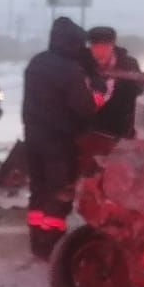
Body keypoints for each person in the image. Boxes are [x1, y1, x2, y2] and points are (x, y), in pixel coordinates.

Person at [21, 17, 104, 258]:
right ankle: (53, 246)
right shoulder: (70, 70)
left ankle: (37, 242)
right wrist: (97, 86)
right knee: (59, 193)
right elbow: (87, 107)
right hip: (58, 143)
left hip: (33, 138)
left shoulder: (36, 63)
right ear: (73, 44)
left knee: (39, 190)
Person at [87, 26, 144, 139]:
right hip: (92, 132)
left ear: (112, 46)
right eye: (95, 47)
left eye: (104, 47)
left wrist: (133, 81)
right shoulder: (83, 65)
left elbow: (141, 89)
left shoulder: (128, 64)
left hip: (121, 132)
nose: (100, 53)